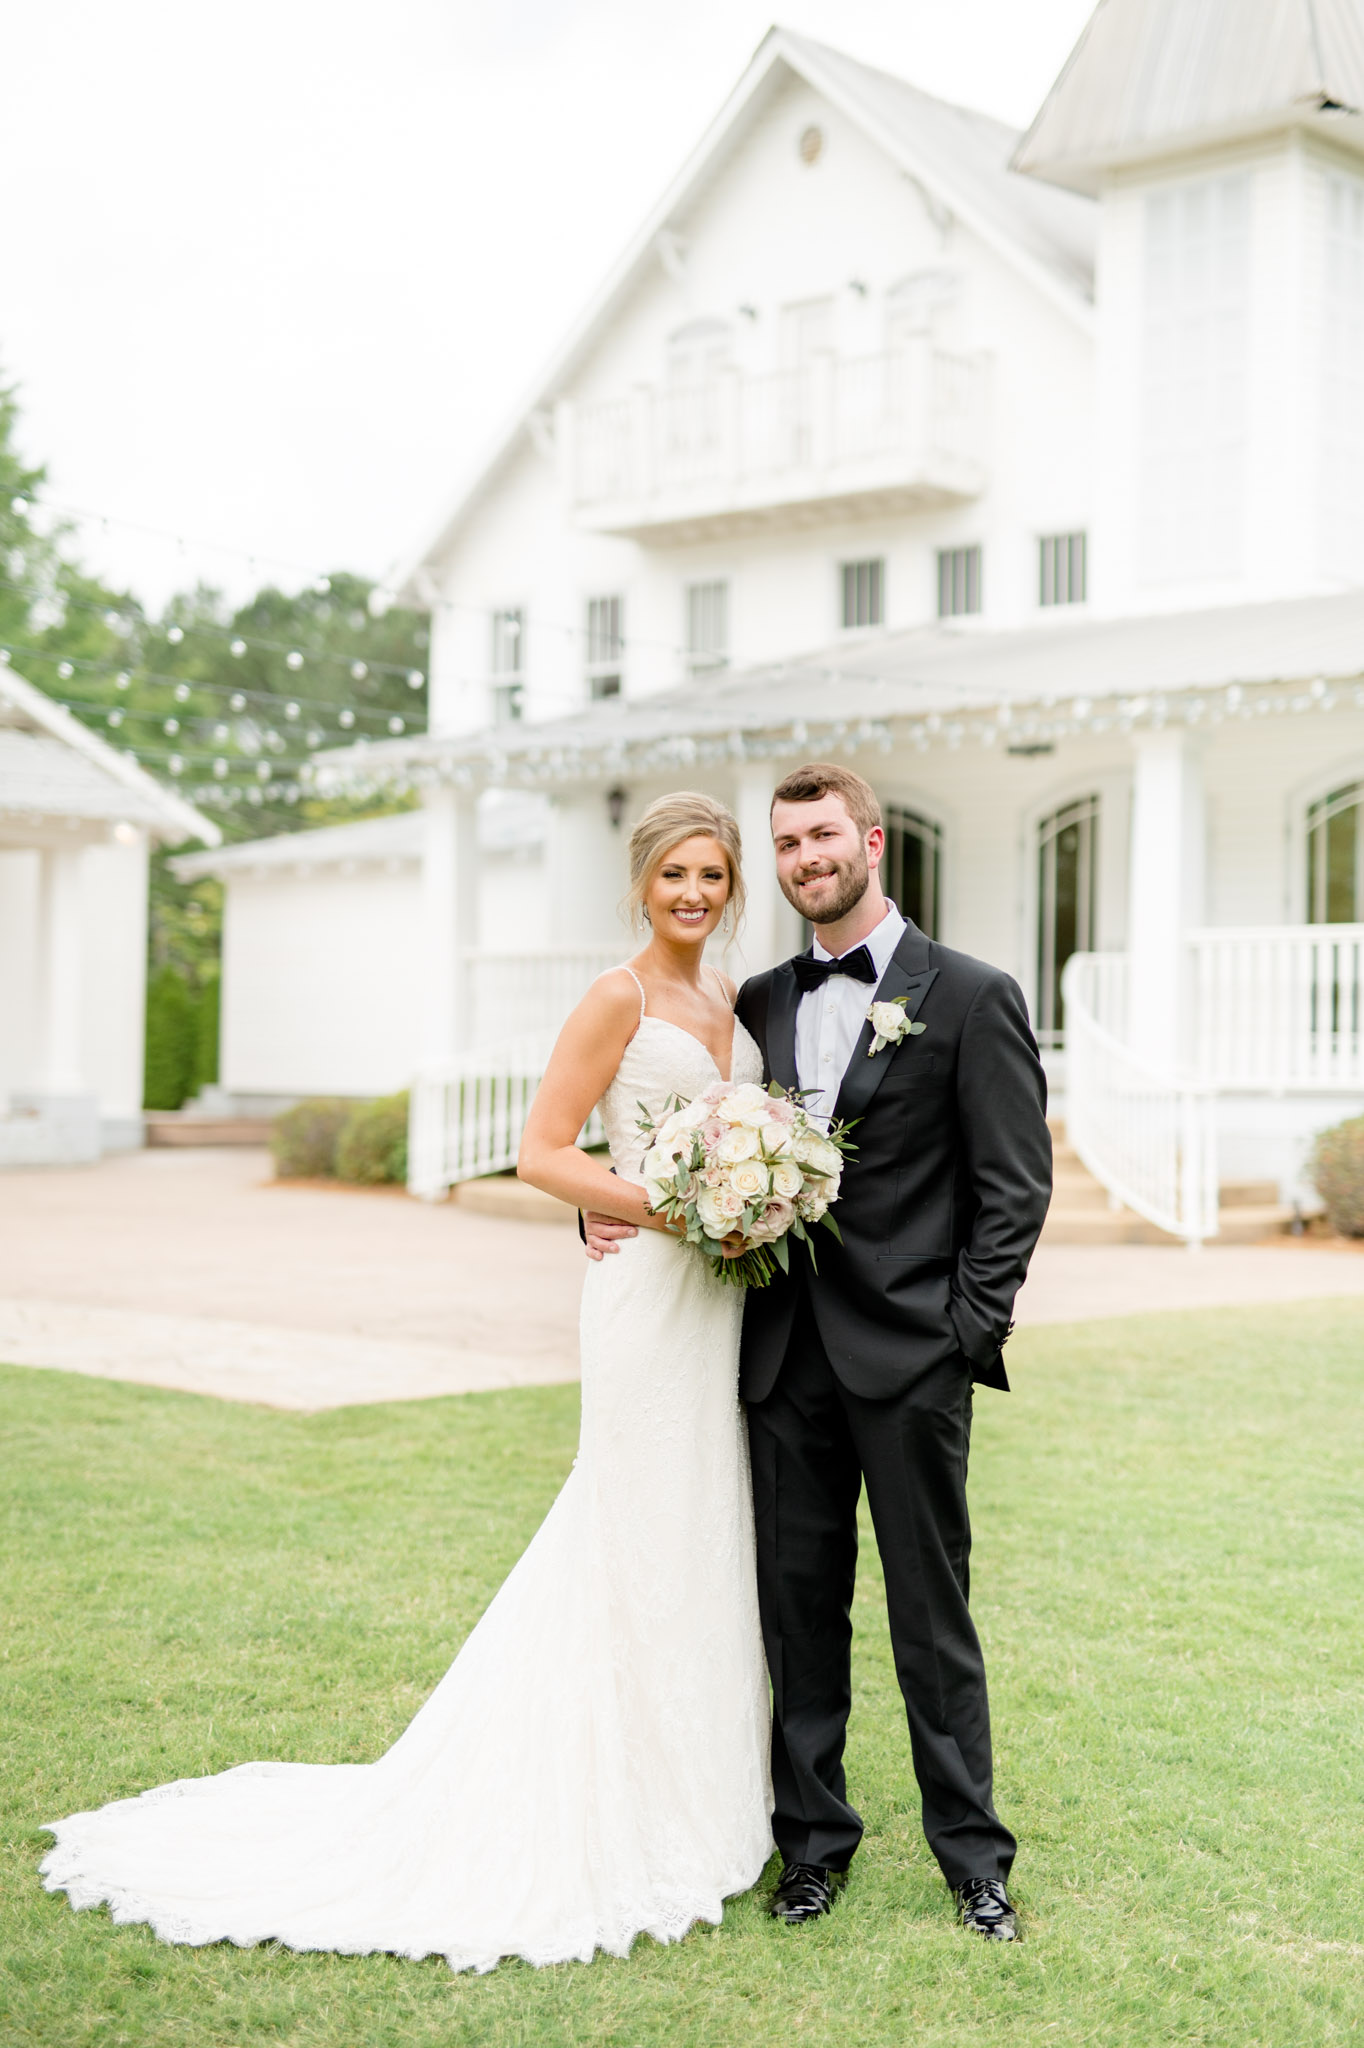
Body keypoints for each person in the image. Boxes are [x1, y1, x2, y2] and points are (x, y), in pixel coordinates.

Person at [41, 791, 773, 1975]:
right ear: (640, 883)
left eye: (710, 874)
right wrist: (675, 1203)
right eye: (673, 873)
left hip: (720, 1302)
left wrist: (748, 1198)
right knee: (630, 1517)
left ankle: (700, 1784)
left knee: (700, 1520)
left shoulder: (732, 1002)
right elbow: (542, 1149)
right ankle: (611, 1792)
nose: (692, 892)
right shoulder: (617, 996)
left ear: (730, 885)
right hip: (646, 1294)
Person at [585, 763, 1051, 1942]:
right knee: (796, 1611)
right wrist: (589, 1202)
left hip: (910, 1364)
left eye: (822, 835)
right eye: (787, 843)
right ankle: (811, 1844)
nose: (805, 858)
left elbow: (1012, 1188)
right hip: (778, 1356)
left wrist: (962, 1335)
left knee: (928, 1615)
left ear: (872, 841)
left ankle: (972, 1859)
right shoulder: (761, 1001)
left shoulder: (971, 994)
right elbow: (672, 1133)